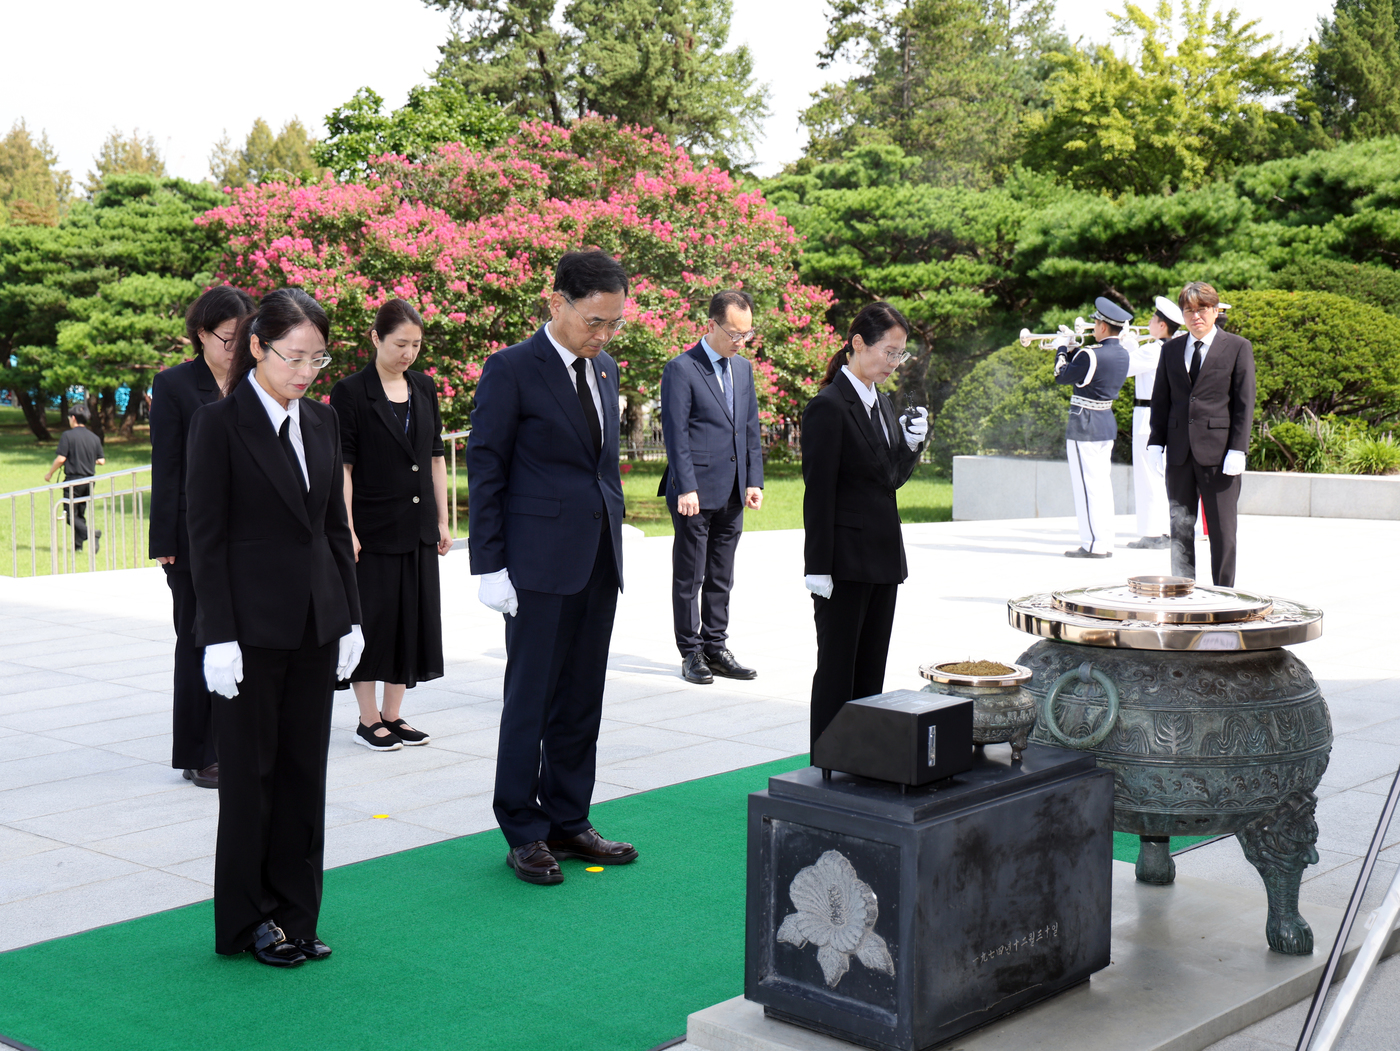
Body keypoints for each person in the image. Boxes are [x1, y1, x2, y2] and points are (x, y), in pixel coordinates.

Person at [185, 288, 364, 967]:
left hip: (317, 623)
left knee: (302, 776)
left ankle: (296, 911)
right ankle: (248, 920)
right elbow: (206, 536)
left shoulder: (320, 422)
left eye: (318, 360)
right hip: (249, 632)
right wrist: (217, 632)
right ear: (257, 346)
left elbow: (331, 528)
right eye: (294, 357)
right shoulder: (219, 424)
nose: (306, 372)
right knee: (252, 780)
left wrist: (349, 615)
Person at [466, 250, 637, 886]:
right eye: (595, 321)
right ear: (556, 302)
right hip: (535, 566)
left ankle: (568, 817)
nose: (604, 334)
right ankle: (522, 827)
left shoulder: (607, 370)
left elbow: (601, 467)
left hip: (595, 560)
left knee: (581, 697)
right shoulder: (511, 369)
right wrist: (490, 565)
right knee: (531, 699)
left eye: (614, 323)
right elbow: (486, 468)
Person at [801, 302, 929, 753]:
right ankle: (827, 763)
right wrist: (817, 566)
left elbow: (889, 477)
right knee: (837, 670)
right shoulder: (828, 406)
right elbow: (817, 492)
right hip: (844, 562)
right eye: (888, 352)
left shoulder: (882, 400)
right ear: (857, 343)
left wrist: (911, 445)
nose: (893, 363)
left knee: (871, 669)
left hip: (882, 556)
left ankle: (862, 759)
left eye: (899, 355)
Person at [330, 299, 451, 751]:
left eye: (416, 345)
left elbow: (435, 457)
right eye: (400, 343)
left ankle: (394, 715)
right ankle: (367, 720)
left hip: (418, 526)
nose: (408, 353)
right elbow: (342, 467)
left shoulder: (424, 387)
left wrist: (441, 517)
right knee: (373, 622)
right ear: (376, 338)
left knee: (411, 620)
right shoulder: (350, 392)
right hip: (372, 529)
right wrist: (348, 530)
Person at [149, 285, 256, 789]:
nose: (236, 347)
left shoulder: (256, 382)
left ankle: (234, 742)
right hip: (191, 538)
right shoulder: (173, 385)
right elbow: (166, 465)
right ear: (201, 334)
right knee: (195, 640)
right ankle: (198, 752)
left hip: (248, 535)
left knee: (242, 640)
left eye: (244, 337)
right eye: (227, 338)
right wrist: (163, 540)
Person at [657, 290, 764, 685]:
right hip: (695, 493)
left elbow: (750, 428)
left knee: (722, 574)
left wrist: (754, 480)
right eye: (734, 333)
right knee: (690, 576)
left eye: (747, 334)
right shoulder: (682, 369)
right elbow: (675, 433)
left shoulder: (744, 370)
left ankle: (716, 646)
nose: (740, 341)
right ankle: (691, 652)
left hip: (734, 490)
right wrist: (685, 487)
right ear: (711, 325)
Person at [1147, 282, 1256, 586]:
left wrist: (1238, 448)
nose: (1196, 316)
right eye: (1189, 310)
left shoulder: (1236, 347)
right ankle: (1182, 591)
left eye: (1202, 309)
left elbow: (1244, 403)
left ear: (1215, 310)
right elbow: (1161, 399)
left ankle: (1224, 595)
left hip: (1220, 454)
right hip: (1179, 453)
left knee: (1223, 530)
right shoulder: (1170, 350)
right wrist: (1156, 441)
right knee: (1180, 528)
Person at [1053, 297, 1132, 559]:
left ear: (1103, 327)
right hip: (1105, 423)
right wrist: (1074, 350)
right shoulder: (1122, 353)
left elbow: (1061, 375)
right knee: (1101, 485)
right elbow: (1089, 372)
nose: (1094, 325)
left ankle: (1092, 544)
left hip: (1084, 424)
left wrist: (1061, 350)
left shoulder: (1091, 354)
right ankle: (1105, 541)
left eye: (1096, 322)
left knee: (1086, 488)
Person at [1124, 296, 1183, 550]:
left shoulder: (1152, 349)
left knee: (1148, 475)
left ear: (1161, 326)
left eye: (1152, 319)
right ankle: (1168, 530)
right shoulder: (1176, 347)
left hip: (1147, 415)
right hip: (1167, 414)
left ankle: (1152, 533)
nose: (1148, 322)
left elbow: (1123, 368)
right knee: (1162, 474)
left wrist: (1124, 345)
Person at [44, 405, 105, 553]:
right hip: (89, 481)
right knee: (80, 513)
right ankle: (78, 547)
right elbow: (101, 460)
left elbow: (61, 458)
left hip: (73, 480)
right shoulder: (94, 437)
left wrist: (50, 473)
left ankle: (91, 533)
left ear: (73, 418)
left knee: (70, 515)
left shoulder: (68, 436)